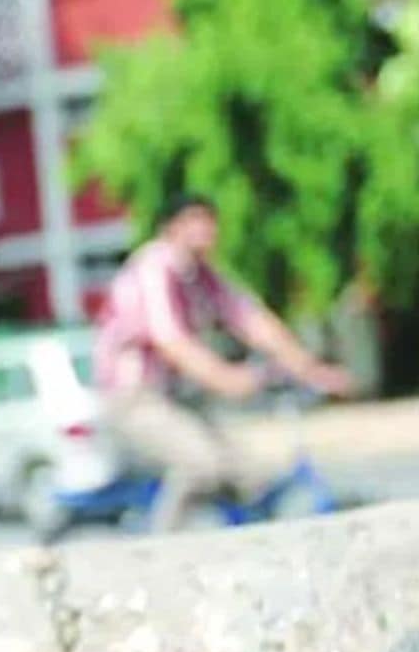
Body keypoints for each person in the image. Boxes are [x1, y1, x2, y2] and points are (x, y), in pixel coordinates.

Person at [92, 194, 356, 531]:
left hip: (176, 398)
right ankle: (161, 546)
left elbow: (252, 321)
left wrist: (311, 370)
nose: (204, 228)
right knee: (203, 465)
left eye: (208, 219)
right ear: (171, 228)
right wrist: (226, 378)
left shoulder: (203, 276)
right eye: (193, 219)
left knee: (249, 476)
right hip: (134, 398)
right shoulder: (155, 268)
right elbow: (171, 341)